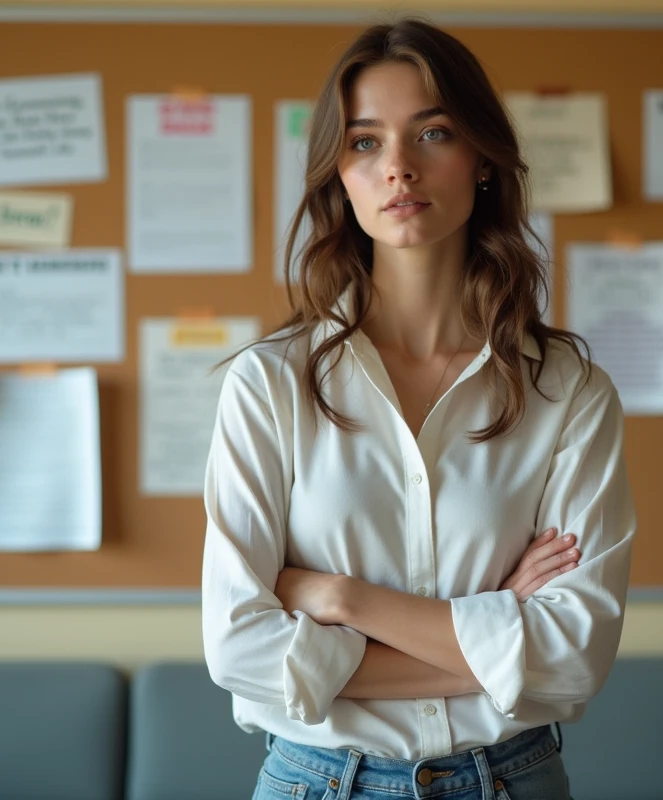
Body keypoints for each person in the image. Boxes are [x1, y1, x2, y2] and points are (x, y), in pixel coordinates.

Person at [202, 17, 636, 800]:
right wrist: (500, 623)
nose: (398, 166)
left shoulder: (565, 390)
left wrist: (340, 599)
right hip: (314, 781)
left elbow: (573, 659)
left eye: (432, 132)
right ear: (340, 175)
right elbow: (240, 652)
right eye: (366, 142)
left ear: (480, 161)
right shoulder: (269, 385)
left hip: (513, 780)